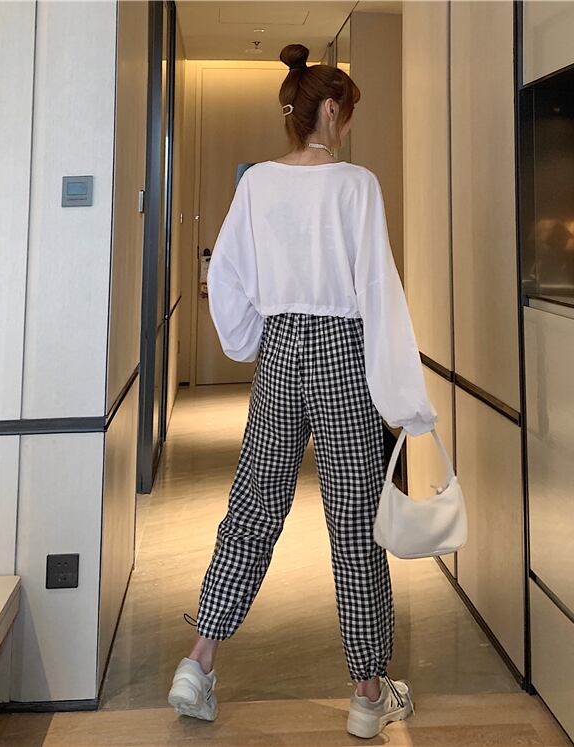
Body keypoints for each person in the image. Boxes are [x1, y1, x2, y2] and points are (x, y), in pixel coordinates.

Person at [167, 42, 436, 740]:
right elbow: (379, 291)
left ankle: (198, 662)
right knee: (355, 522)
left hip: (281, 351)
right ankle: (367, 693)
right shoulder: (357, 185)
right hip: (343, 352)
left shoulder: (257, 183)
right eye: (348, 111)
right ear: (331, 109)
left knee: (253, 508)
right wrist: (405, 398)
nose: (347, 124)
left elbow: (227, 273)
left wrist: (249, 338)